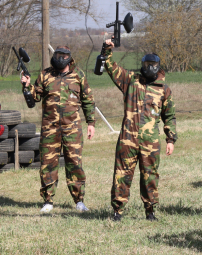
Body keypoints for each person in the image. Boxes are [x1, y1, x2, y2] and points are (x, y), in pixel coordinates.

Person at [101, 39, 177, 222]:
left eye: (153, 65)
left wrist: (171, 139)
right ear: (142, 65)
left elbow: (170, 116)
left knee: (150, 176)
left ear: (158, 67)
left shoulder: (164, 90)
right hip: (128, 140)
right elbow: (111, 67)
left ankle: (150, 211)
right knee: (122, 174)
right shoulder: (131, 81)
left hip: (150, 143)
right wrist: (107, 49)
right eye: (146, 64)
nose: (149, 68)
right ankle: (117, 211)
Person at [21, 46, 95, 213]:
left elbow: (88, 100)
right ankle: (48, 201)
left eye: (64, 56)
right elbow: (35, 98)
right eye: (58, 55)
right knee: (48, 164)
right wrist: (27, 86)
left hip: (72, 129)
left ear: (69, 58)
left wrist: (91, 123)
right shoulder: (45, 74)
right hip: (50, 128)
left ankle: (79, 201)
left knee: (75, 163)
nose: (60, 59)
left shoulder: (79, 75)